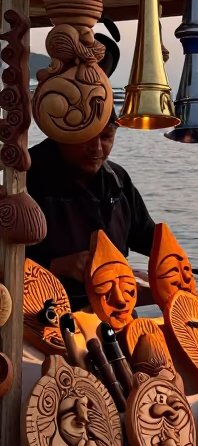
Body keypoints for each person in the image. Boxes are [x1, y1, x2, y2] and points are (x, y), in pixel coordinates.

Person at [26, 111, 156, 310]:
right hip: (44, 313)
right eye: (85, 138)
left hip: (113, 305)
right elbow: (5, 261)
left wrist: (170, 262)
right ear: (61, 133)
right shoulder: (25, 179)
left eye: (106, 137)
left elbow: (147, 236)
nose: (96, 149)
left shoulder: (117, 179)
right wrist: (56, 266)